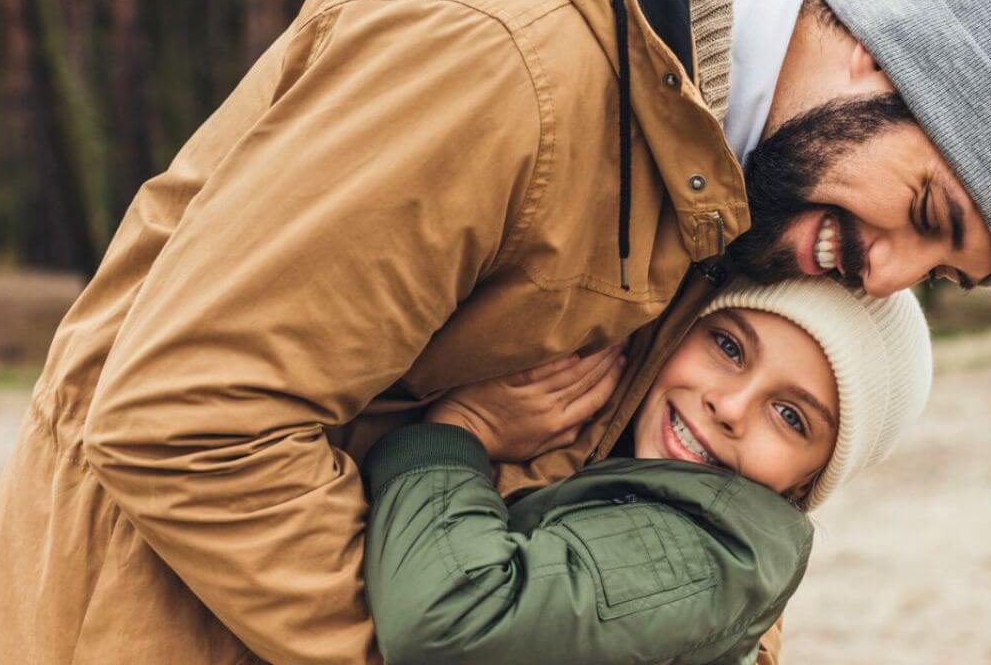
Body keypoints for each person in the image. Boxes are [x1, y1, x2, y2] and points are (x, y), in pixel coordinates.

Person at [0, 0, 991, 662]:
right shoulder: (497, 58)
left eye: (938, 272)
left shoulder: (739, 178)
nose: (881, 276)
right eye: (925, 212)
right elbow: (185, 419)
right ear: (882, 66)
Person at [361, 277, 932, 664]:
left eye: (789, 416)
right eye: (730, 347)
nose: (729, 407)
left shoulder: (717, 549)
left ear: (808, 481)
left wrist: (457, 432)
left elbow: (450, 622)